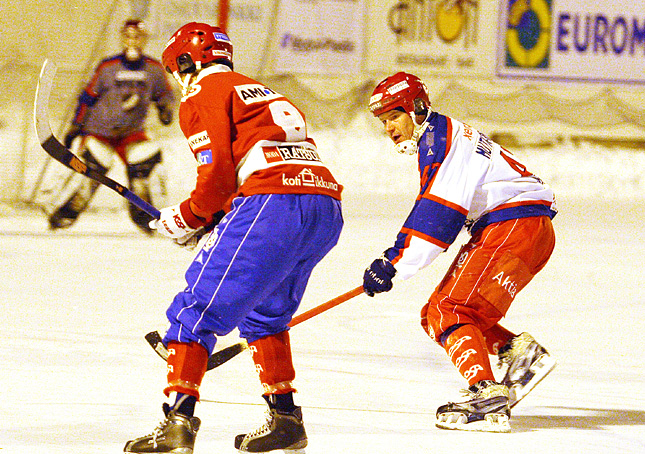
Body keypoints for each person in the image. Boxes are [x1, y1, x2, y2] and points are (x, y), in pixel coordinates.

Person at [123, 23, 343, 453]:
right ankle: (286, 419)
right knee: (264, 316)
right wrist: (214, 220)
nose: (178, 81)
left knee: (194, 310)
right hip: (323, 206)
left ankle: (177, 423)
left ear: (187, 62)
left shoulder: (202, 92)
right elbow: (249, 167)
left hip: (273, 203)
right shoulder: (256, 88)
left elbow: (218, 178)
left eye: (176, 71)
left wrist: (186, 217)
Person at [362, 72, 557, 433]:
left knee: (446, 310)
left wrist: (392, 263)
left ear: (417, 108)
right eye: (384, 120)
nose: (389, 127)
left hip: (513, 226)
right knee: (439, 313)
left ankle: (487, 397)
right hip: (526, 228)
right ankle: (518, 352)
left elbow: (438, 217)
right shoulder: (443, 134)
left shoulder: (441, 142)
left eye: (394, 115)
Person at [47, 19, 175, 233]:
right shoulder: (108, 66)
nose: (132, 41)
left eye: (137, 37)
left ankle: (145, 218)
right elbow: (88, 96)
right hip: (100, 130)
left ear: (144, 40)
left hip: (131, 132)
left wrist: (165, 110)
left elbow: (164, 95)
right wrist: (76, 125)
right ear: (122, 38)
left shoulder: (153, 69)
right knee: (91, 174)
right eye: (128, 36)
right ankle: (62, 215)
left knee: (143, 171)